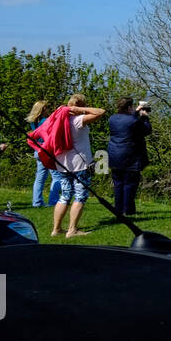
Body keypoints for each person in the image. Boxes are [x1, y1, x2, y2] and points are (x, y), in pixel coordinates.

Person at [51, 94, 106, 238]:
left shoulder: (58, 120)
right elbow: (101, 112)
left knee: (64, 196)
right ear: (80, 105)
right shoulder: (77, 120)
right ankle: (72, 230)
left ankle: (56, 229)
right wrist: (79, 109)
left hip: (62, 164)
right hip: (80, 164)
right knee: (80, 196)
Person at [108, 97, 152, 217]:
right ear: (128, 107)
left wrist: (136, 111)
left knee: (118, 184)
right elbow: (147, 130)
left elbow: (126, 120)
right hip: (130, 156)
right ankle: (128, 210)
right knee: (130, 184)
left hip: (114, 155)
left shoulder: (112, 118)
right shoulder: (134, 121)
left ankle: (118, 209)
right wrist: (144, 117)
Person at [27, 100, 60, 208]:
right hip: (47, 150)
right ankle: (53, 201)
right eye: (46, 108)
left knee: (40, 177)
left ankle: (36, 201)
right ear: (43, 109)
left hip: (37, 149)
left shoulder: (33, 121)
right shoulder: (46, 121)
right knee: (56, 176)